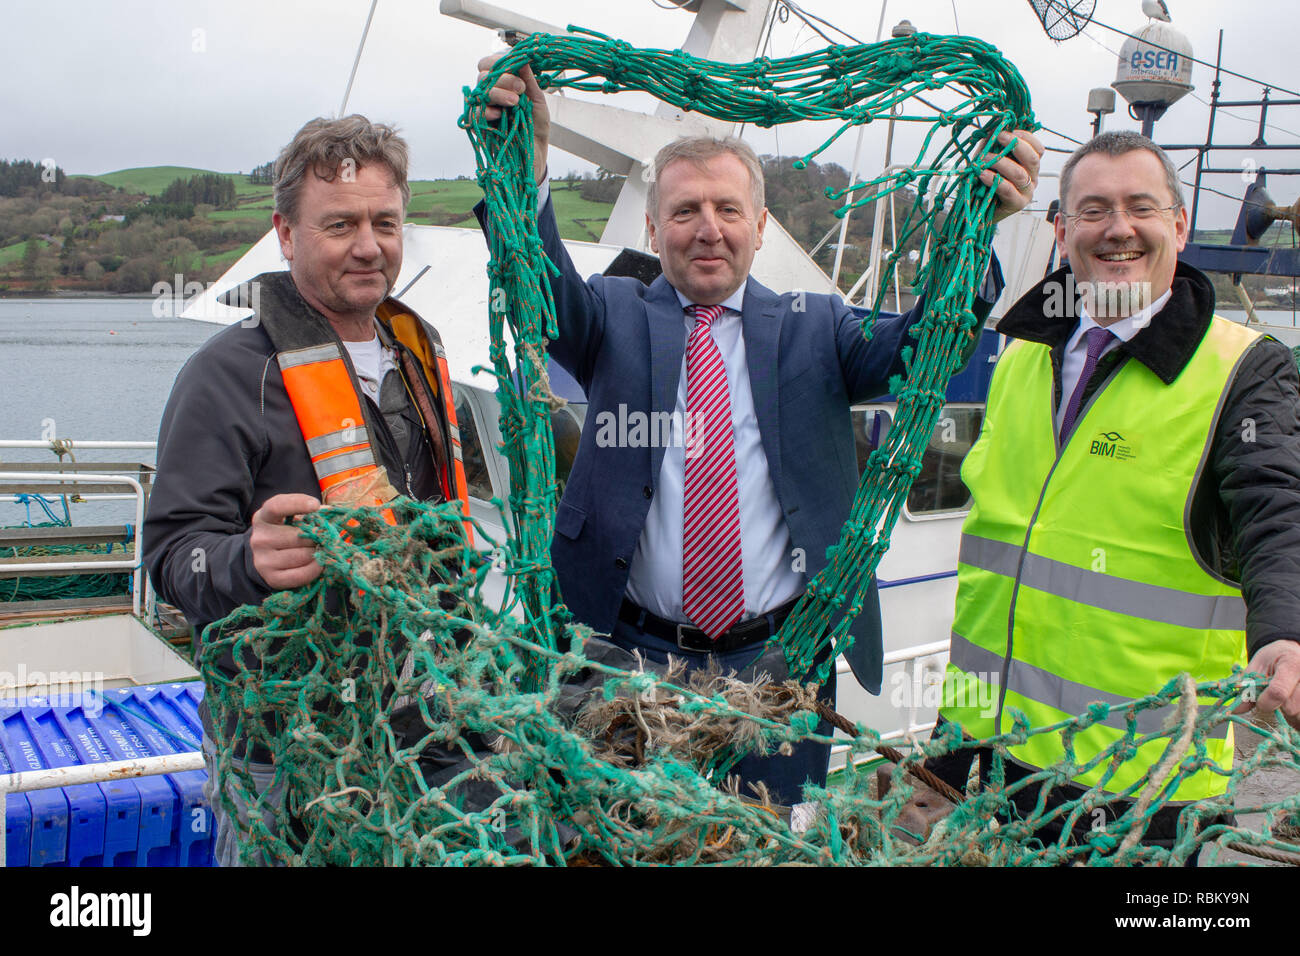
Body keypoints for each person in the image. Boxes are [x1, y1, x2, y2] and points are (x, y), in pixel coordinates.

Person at [480, 58, 1043, 805]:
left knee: (765, 837)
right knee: (624, 836)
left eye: (728, 208)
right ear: (653, 226)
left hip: (780, 666)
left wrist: (978, 226)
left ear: (761, 225)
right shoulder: (612, 315)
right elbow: (538, 289)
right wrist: (526, 171)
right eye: (684, 211)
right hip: (628, 661)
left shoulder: (819, 326)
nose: (708, 229)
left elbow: (923, 343)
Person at [932, 130, 1300, 855]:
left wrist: (1284, 631)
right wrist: (946, 757)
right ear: (1062, 232)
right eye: (1094, 210)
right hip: (1005, 765)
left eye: (1141, 207)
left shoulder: (1243, 370)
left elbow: (1276, 505)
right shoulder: (1021, 355)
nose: (1118, 228)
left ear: (1180, 227)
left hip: (1148, 789)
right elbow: (992, 584)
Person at [143, 115, 472, 865]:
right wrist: (247, 559)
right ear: (286, 235)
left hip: (416, 724)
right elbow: (170, 556)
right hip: (279, 743)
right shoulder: (226, 375)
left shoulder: (417, 357)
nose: (369, 246)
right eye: (340, 224)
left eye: (385, 222)